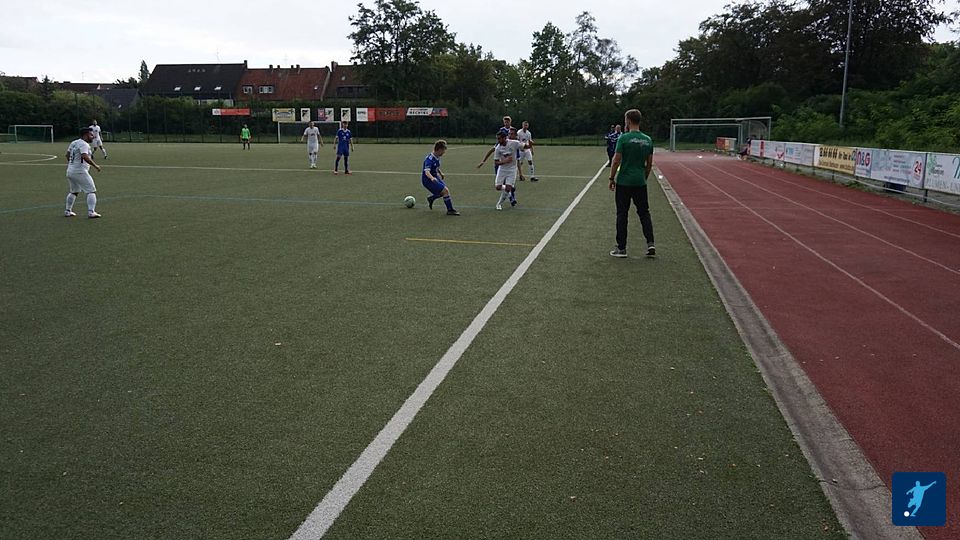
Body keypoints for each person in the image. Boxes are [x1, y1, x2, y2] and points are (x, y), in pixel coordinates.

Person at [609, 110, 655, 258]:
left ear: (628, 121)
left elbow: (616, 160)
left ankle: (621, 248)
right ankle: (650, 243)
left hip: (624, 182)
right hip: (640, 182)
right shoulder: (648, 140)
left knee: (622, 213)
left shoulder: (623, 138)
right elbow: (649, 164)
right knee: (644, 212)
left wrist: (611, 178)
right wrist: (644, 177)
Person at [64, 127, 102, 219]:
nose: (93, 137)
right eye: (91, 135)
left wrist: (72, 164)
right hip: (80, 171)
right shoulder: (84, 144)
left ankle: (68, 211)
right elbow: (84, 156)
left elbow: (67, 155)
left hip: (70, 171)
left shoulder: (74, 142)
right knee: (91, 190)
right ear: (85, 135)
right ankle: (91, 212)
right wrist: (95, 166)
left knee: (74, 191)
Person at [421, 140, 459, 215]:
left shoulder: (437, 156)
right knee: (445, 191)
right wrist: (432, 178)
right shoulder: (429, 159)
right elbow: (427, 172)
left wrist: (441, 173)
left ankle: (431, 198)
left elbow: (436, 167)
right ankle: (450, 210)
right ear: (439, 149)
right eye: (443, 150)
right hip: (428, 180)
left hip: (435, 177)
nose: (444, 152)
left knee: (443, 192)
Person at [493, 130, 526, 210]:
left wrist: (529, 145)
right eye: (497, 139)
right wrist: (505, 161)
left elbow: (524, 146)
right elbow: (496, 162)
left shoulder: (514, 143)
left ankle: (499, 204)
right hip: (502, 169)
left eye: (499, 138)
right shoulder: (498, 148)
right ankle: (510, 187)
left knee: (508, 188)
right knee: (498, 187)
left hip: (512, 169)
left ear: (505, 138)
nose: (498, 140)